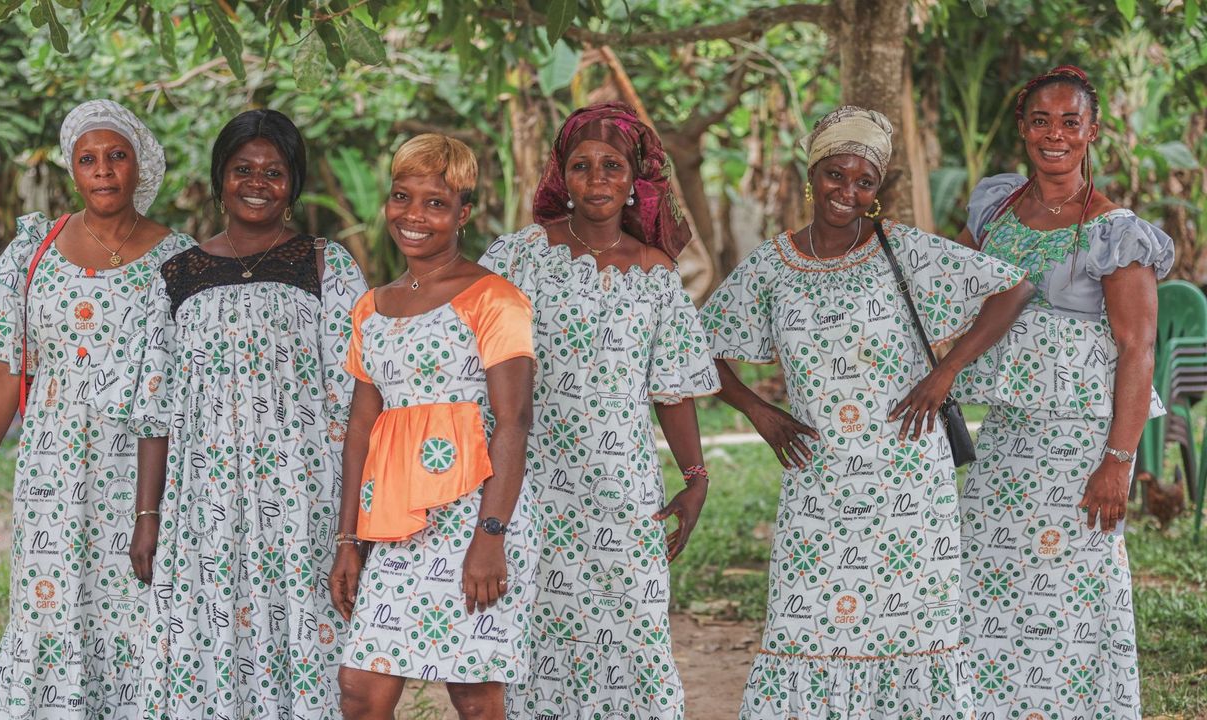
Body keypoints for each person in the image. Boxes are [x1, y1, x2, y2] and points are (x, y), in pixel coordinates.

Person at [700, 105, 1034, 718]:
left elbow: (1013, 288)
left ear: (877, 190)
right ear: (812, 176)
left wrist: (945, 372)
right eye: (835, 175)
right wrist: (759, 411)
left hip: (910, 479)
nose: (847, 192)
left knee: (914, 631)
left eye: (864, 181)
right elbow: (699, 349)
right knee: (804, 626)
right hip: (818, 479)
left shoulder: (904, 251)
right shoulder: (772, 268)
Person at [479, 101, 720, 720]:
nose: (597, 180)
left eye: (612, 165)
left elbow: (673, 389)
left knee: (634, 625)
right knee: (537, 629)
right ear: (563, 175)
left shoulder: (656, 273)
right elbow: (471, 359)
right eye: (581, 166)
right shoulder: (518, 257)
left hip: (624, 487)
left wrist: (694, 479)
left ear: (636, 175)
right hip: (529, 484)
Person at [128, 109, 367, 719]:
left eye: (274, 171)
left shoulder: (324, 264)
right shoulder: (176, 275)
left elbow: (357, 401)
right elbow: (156, 410)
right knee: (207, 642)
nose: (257, 182)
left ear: (294, 184)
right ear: (218, 178)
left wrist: (350, 530)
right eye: (242, 169)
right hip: (202, 505)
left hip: (301, 501)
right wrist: (147, 516)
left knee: (305, 637)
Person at [0, 98, 194, 719]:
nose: (103, 171)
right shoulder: (35, 250)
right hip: (54, 467)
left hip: (148, 465)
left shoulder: (182, 259)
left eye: (116, 156)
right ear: (72, 170)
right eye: (87, 159)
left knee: (140, 603)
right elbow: (8, 367)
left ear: (139, 164)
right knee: (54, 600)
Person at [952, 66, 1172, 719]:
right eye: (1041, 120)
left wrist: (1117, 462)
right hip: (1006, 440)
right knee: (988, 585)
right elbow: (950, 289)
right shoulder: (995, 206)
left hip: (1080, 452)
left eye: (1070, 122)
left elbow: (1138, 350)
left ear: (1092, 131)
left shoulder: (1114, 230)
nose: (1055, 134)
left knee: (1069, 594)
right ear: (1023, 128)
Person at [329, 133, 537, 719]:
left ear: (463, 213)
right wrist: (349, 541)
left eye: (436, 203)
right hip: (394, 522)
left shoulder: (495, 298)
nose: (413, 216)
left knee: (473, 696)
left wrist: (491, 537)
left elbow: (515, 422)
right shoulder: (371, 307)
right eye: (402, 197)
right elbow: (360, 430)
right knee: (361, 689)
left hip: (474, 516)